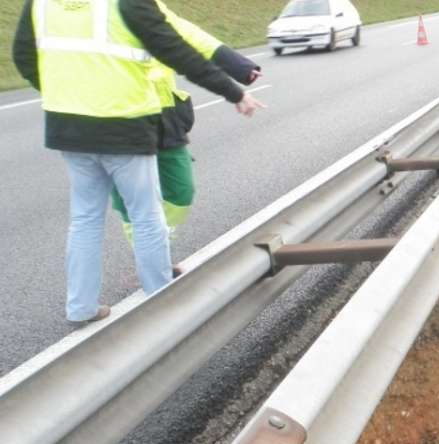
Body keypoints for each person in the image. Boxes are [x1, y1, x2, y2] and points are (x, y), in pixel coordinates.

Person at [11, 0, 266, 324]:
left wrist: (66, 94)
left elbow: (23, 56)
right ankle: (161, 302)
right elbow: (177, 51)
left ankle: (81, 306)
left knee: (85, 219)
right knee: (147, 217)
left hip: (68, 125)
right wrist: (235, 93)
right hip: (124, 124)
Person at [112, 15, 263, 253]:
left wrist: (238, 66)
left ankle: (154, 245)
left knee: (180, 191)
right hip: (117, 118)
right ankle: (152, 256)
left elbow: (189, 35)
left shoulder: (140, 6)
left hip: (165, 115)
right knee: (129, 200)